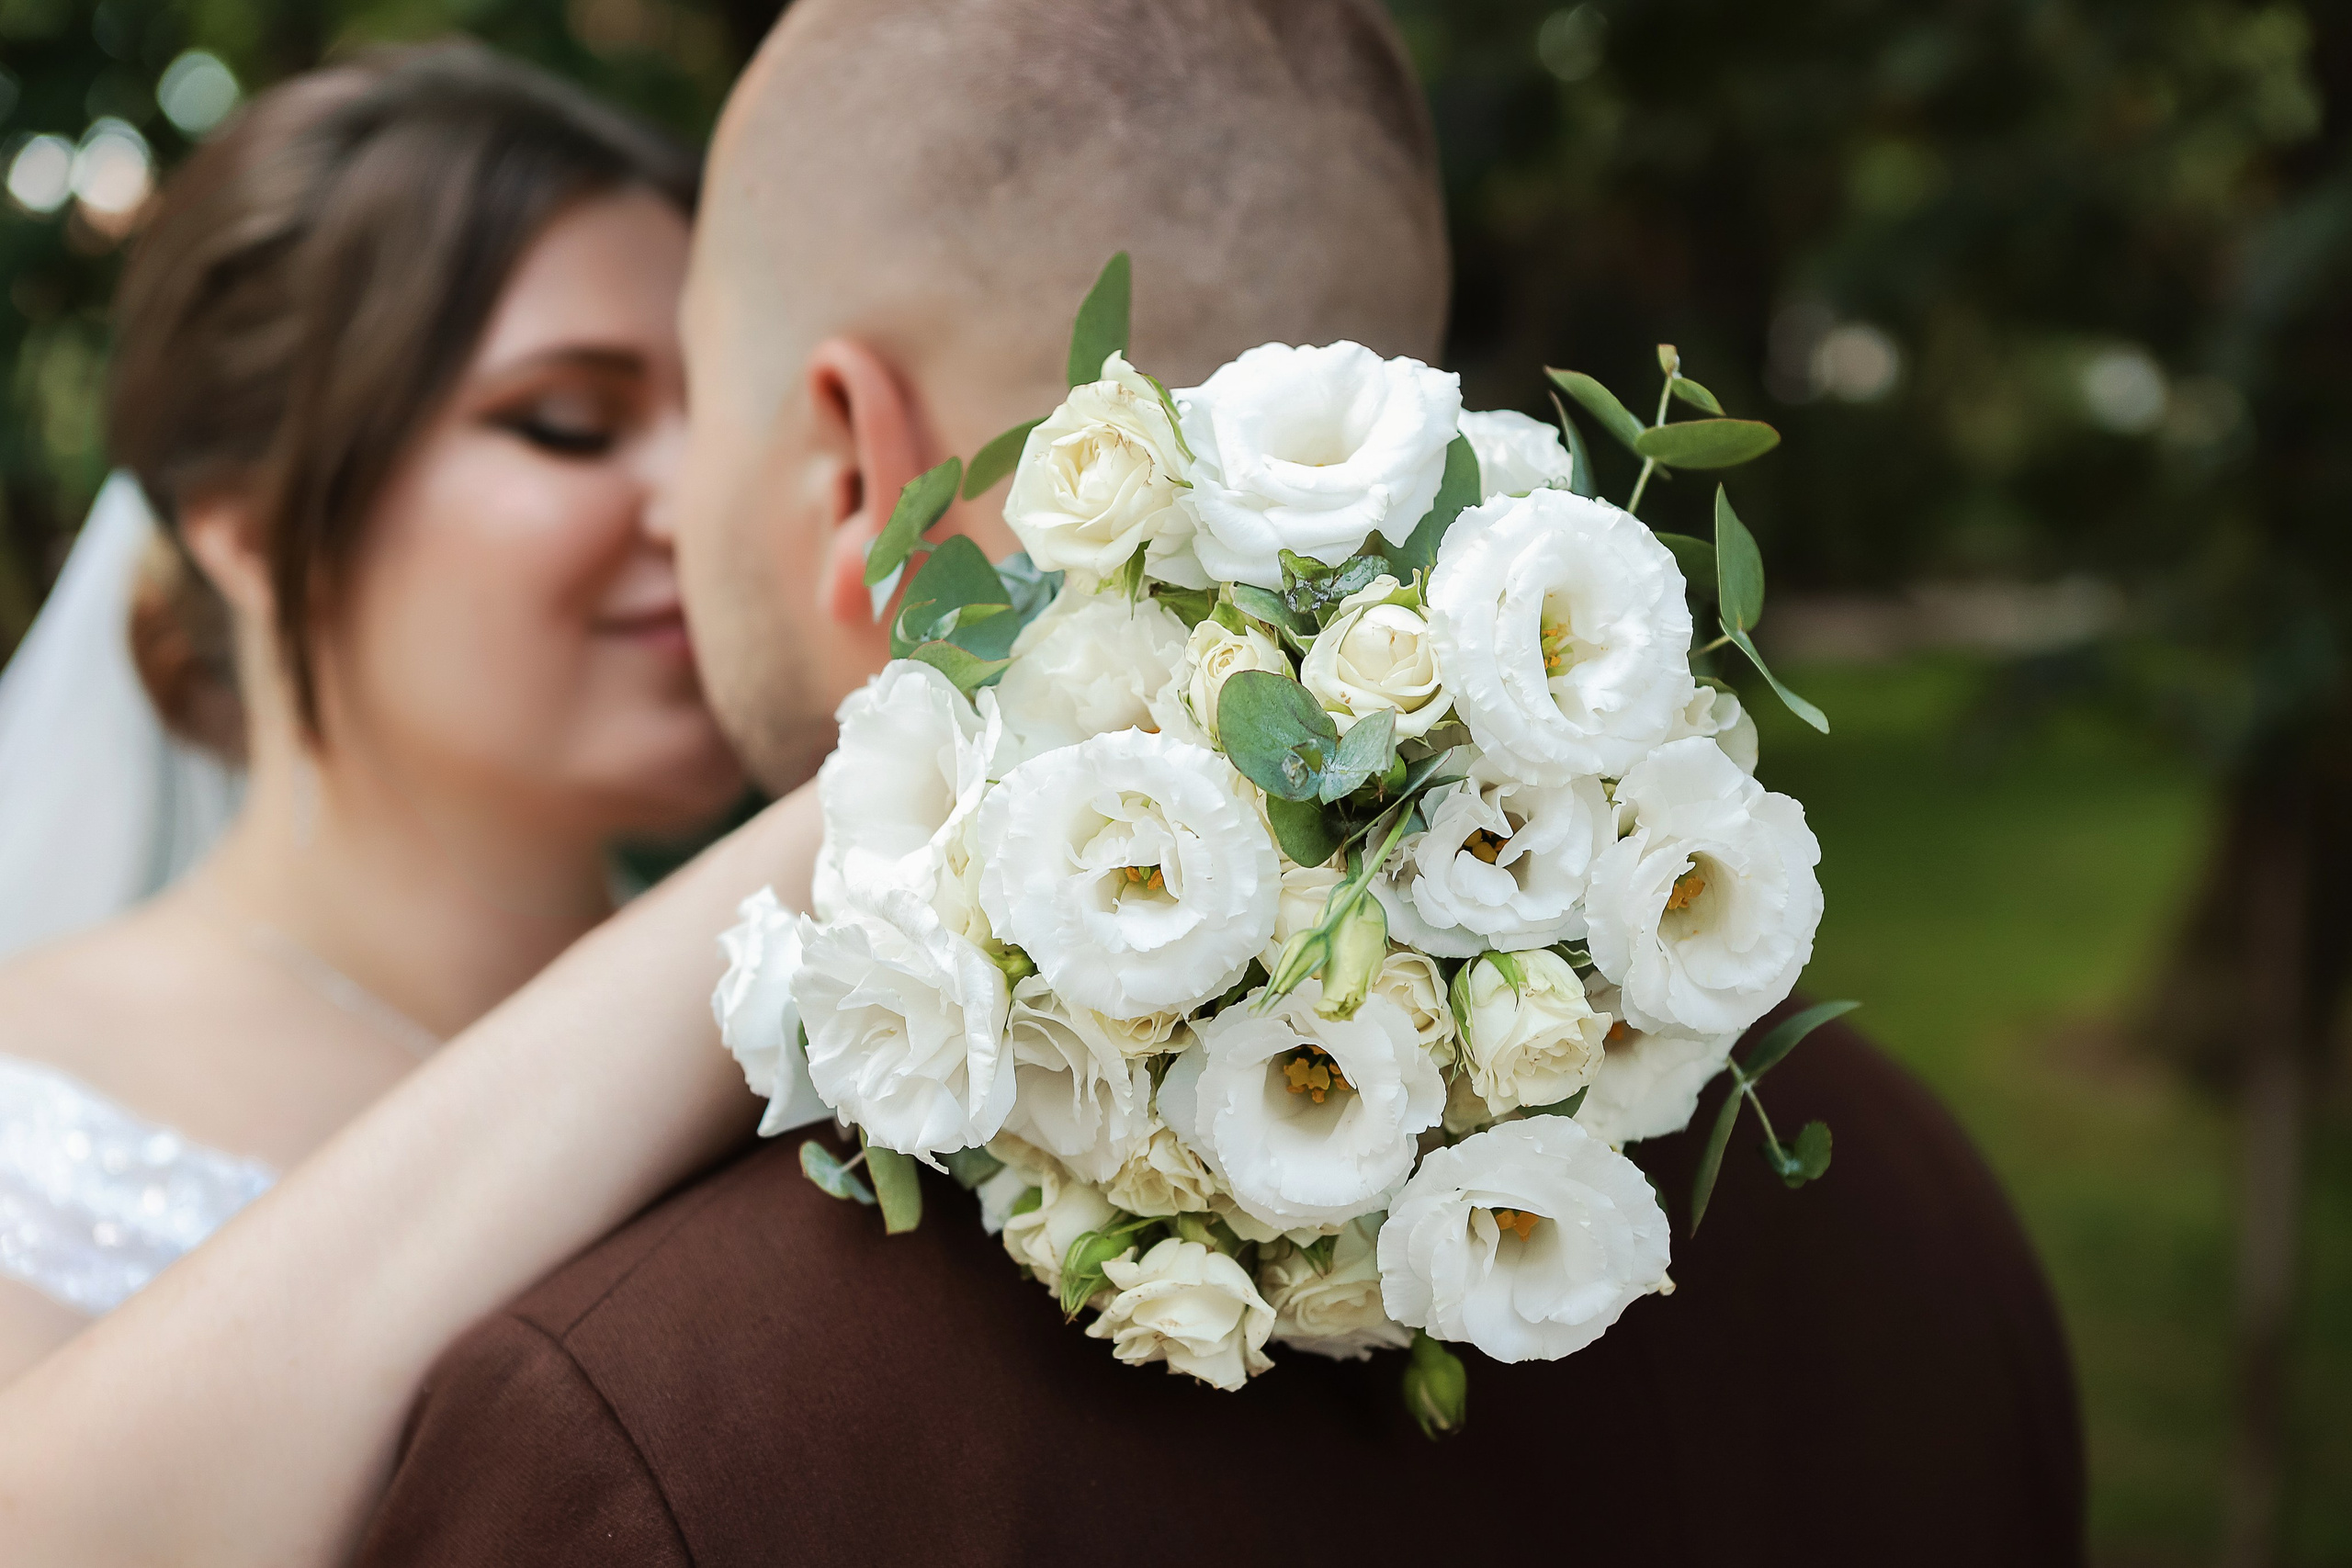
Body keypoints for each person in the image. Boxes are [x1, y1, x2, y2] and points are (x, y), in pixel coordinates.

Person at [339, 3, 2085, 1565]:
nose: (660, 505)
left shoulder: (636, 1443)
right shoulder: (1924, 1217)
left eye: (693, 409)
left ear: (851, 462)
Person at [0, 45, 747, 1382]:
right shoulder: (35, 1122)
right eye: (569, 422)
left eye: (730, 416)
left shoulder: (836, 1014)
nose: (707, 504)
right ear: (248, 526)